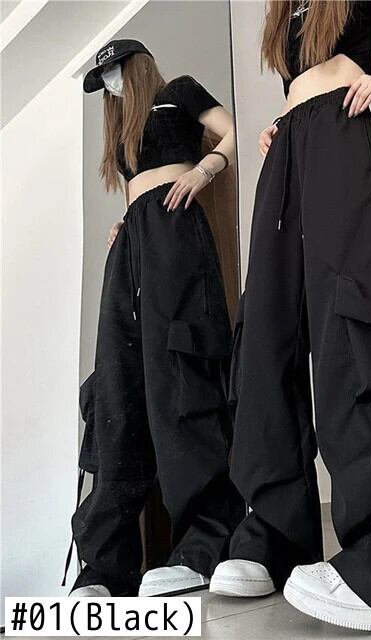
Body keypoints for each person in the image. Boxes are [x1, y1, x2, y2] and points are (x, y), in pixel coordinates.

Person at [209, 1, 371, 633]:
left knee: (354, 320)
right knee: (267, 332)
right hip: (288, 150)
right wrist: (281, 124)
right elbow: (298, 84)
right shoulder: (285, 13)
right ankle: (275, 534)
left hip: (342, 137)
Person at [65, 39, 245, 598]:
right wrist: (126, 222)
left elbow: (234, 132)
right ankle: (104, 567)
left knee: (181, 379)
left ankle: (204, 545)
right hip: (133, 242)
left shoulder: (180, 92)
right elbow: (134, 190)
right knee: (117, 388)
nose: (111, 87)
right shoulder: (124, 131)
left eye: (114, 73)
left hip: (177, 229)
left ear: (136, 65)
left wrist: (204, 171)